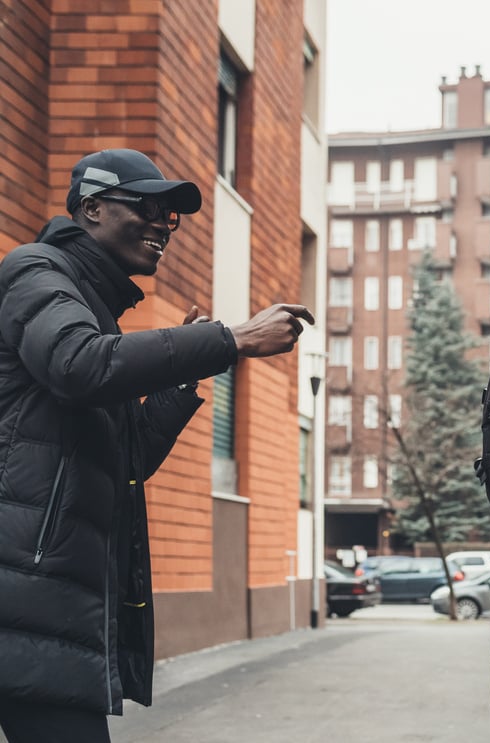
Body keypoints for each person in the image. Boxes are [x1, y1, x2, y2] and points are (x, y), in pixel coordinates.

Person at [0, 149, 315, 743]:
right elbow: (78, 366)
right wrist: (232, 337)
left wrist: (178, 381)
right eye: (146, 206)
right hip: (23, 586)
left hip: (53, 599)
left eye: (171, 216)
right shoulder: (35, 271)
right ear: (90, 208)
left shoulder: (101, 320)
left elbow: (129, 462)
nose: (162, 224)